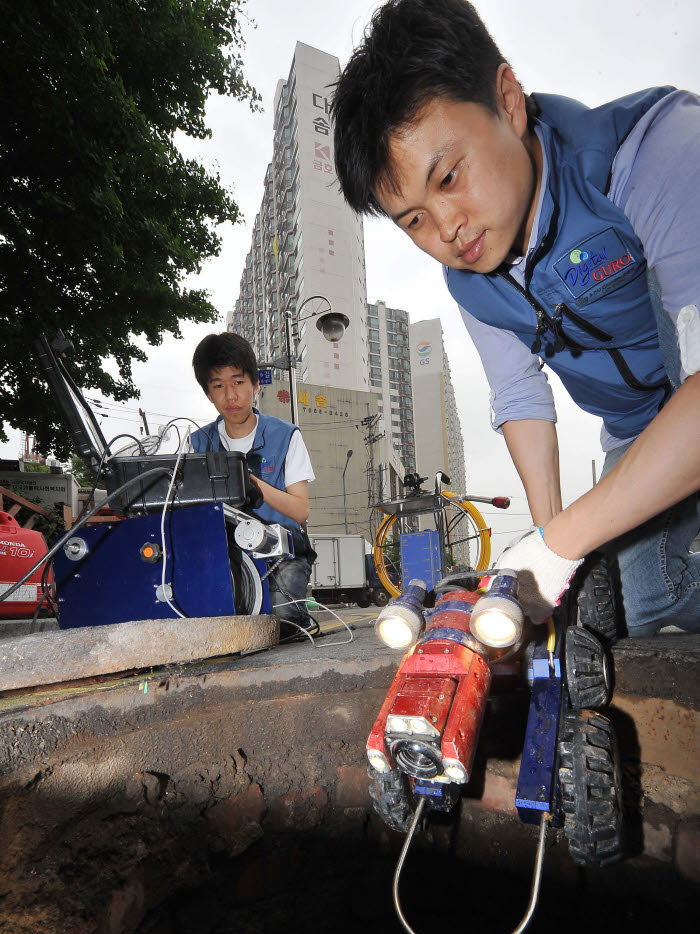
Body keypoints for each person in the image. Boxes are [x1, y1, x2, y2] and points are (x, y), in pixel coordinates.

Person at [331, 0, 700, 635]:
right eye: (413, 219)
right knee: (629, 601)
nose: (447, 228)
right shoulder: (471, 279)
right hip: (640, 431)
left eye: (448, 176)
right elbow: (519, 394)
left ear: (508, 100)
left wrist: (562, 543)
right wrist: (550, 559)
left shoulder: (653, 151)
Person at [190, 332, 316, 636]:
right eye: (218, 386)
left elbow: (300, 511)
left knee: (281, 623)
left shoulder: (286, 436)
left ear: (255, 384)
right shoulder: (196, 443)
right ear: (208, 393)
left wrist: (252, 483)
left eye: (238, 382)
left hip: (282, 554)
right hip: (225, 556)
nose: (230, 396)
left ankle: (298, 624)